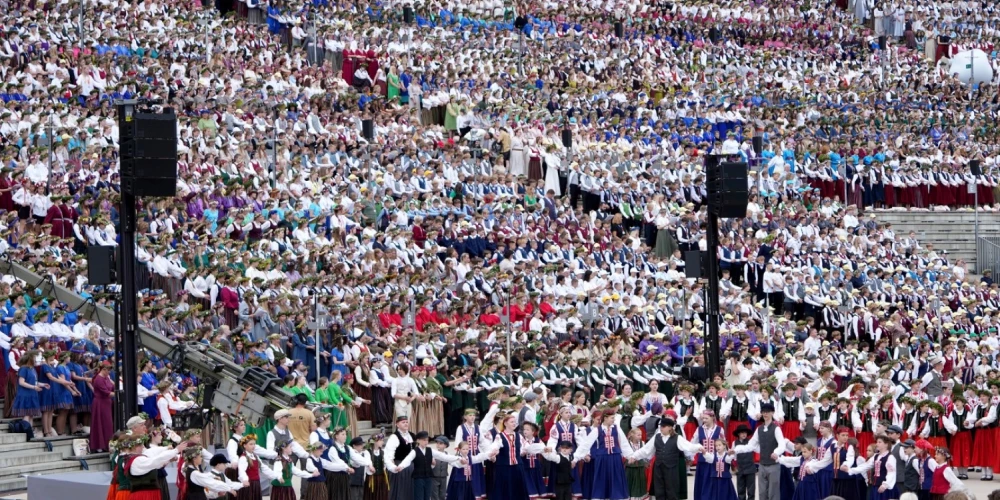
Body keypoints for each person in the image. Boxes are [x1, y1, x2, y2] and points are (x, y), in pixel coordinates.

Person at [631, 416, 705, 500]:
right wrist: (634, 456)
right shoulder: (657, 437)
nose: (661, 428)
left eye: (663, 426)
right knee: (659, 490)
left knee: (672, 491)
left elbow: (689, 446)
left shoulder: (677, 438)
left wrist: (699, 448)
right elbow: (646, 449)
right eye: (660, 426)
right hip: (658, 468)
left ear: (670, 427)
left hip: (671, 469)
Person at [733, 403, 787, 500]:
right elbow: (751, 445)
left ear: (772, 413)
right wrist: (735, 450)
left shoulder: (776, 428)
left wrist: (776, 452)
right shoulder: (759, 429)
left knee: (773, 493)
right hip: (762, 465)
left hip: (773, 464)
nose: (765, 414)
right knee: (762, 493)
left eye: (767, 412)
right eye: (763, 412)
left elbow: (782, 445)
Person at [844, 435, 899, 500]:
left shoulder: (890, 457)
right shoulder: (876, 456)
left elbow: (891, 473)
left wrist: (885, 485)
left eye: (879, 442)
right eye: (877, 442)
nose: (877, 444)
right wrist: (850, 470)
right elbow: (865, 466)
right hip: (875, 486)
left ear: (886, 444)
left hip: (884, 488)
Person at [90, 361, 114, 452]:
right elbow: (106, 392)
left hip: (106, 403)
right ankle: (99, 444)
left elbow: (112, 386)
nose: (109, 372)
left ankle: (107, 444)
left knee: (107, 424)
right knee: (100, 423)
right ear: (103, 369)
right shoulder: (98, 379)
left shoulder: (106, 377)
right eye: (108, 370)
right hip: (100, 403)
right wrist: (117, 394)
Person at [731, 425, 756, 500]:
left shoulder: (751, 442)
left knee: (751, 489)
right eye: (742, 432)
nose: (744, 434)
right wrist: (734, 466)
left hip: (750, 468)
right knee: (740, 489)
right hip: (740, 468)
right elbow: (733, 456)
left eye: (745, 432)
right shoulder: (734, 443)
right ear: (738, 434)